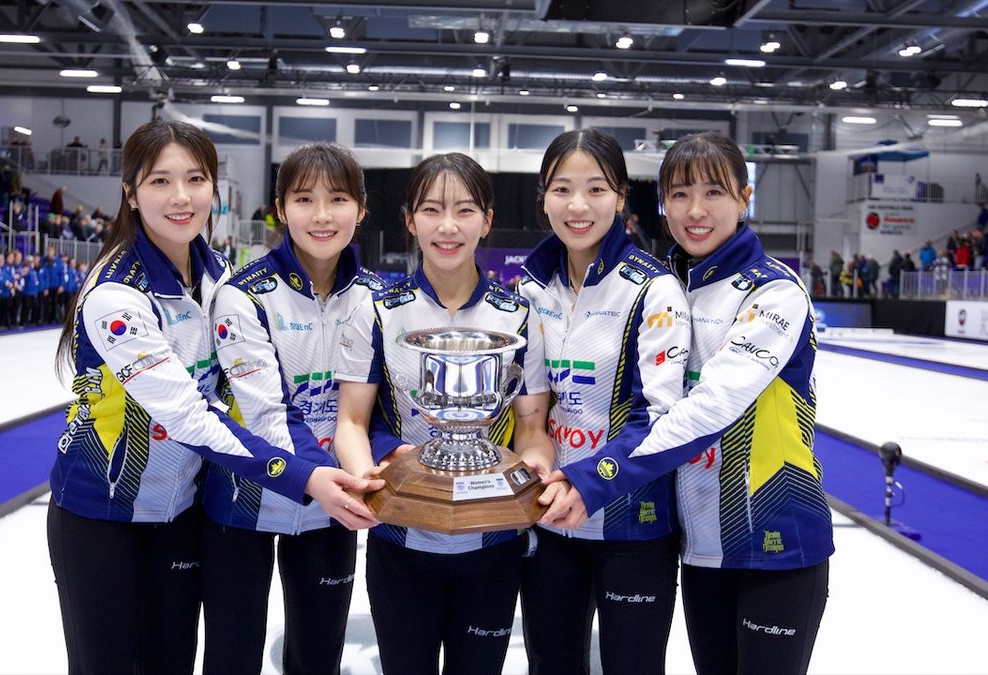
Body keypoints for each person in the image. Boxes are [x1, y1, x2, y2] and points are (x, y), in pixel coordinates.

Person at [46, 119, 379, 675]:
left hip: (180, 511)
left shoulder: (217, 275)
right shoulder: (115, 294)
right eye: (159, 182)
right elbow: (192, 416)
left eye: (196, 179)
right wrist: (305, 475)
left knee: (172, 661)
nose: (181, 197)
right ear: (130, 192)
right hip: (101, 515)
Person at [545, 131, 833, 675]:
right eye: (679, 195)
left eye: (714, 193)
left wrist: (595, 477)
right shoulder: (668, 286)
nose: (695, 211)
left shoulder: (774, 292)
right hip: (701, 547)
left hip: (777, 542)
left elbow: (708, 410)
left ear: (745, 199)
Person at [334, 152, 553, 675]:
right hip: (402, 541)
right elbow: (352, 422)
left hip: (494, 541)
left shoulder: (519, 313)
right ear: (410, 221)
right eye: (431, 210)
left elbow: (530, 426)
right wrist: (370, 481)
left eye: (465, 210)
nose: (448, 226)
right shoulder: (379, 309)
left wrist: (533, 474)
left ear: (487, 220)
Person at [201, 142, 386, 674]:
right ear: (280, 209)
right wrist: (327, 477)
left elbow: (380, 410)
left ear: (362, 209)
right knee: (232, 656)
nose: (322, 216)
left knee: (318, 654)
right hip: (243, 502)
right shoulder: (244, 296)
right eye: (304, 199)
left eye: (339, 199)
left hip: (335, 507)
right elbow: (267, 414)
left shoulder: (377, 298)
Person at [516, 128, 690, 675]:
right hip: (552, 520)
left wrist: (590, 482)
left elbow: (658, 418)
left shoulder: (653, 289)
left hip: (633, 523)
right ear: (543, 196)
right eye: (562, 189)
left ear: (620, 197)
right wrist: (539, 464)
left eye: (596, 189)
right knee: (551, 664)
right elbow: (531, 410)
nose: (578, 205)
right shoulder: (531, 289)